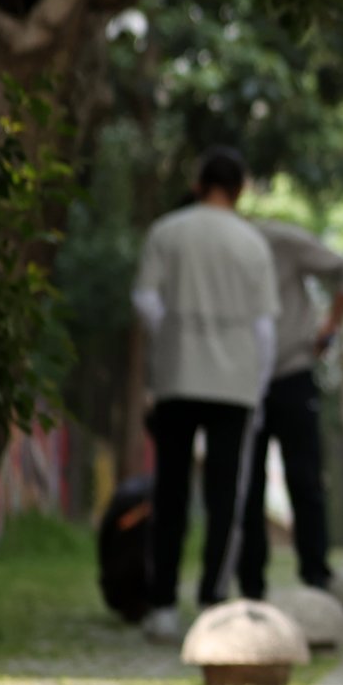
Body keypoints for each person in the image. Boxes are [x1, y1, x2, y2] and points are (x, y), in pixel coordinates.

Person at [131, 146, 282, 641]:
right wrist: (257, 389)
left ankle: (161, 607)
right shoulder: (252, 244)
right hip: (234, 386)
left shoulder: (166, 231)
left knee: (170, 492)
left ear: (199, 183)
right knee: (225, 499)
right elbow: (264, 329)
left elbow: (145, 299)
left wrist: (172, 336)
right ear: (239, 189)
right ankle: (213, 604)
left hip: (177, 377)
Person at [240, 215, 343, 599]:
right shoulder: (218, 244)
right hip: (242, 380)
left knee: (305, 479)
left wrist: (330, 326)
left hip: (292, 371)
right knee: (247, 485)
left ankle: (316, 575)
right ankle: (250, 585)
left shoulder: (280, 238)